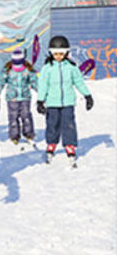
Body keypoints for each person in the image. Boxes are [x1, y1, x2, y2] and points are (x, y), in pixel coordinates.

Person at [36, 35, 93, 164]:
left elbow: (79, 82)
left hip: (68, 102)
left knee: (69, 124)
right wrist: (40, 101)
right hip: (52, 102)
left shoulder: (71, 67)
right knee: (52, 124)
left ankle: (70, 145)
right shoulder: (47, 68)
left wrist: (87, 95)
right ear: (51, 53)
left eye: (61, 54)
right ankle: (51, 144)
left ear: (66, 53)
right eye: (55, 54)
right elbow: (43, 85)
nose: (58, 56)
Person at [0, 49, 37, 144]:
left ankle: (29, 134)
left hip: (25, 97)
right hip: (12, 98)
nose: (18, 66)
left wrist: (41, 92)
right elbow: (0, 82)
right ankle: (14, 135)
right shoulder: (8, 70)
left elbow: (34, 81)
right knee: (13, 116)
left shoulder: (28, 70)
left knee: (26, 115)